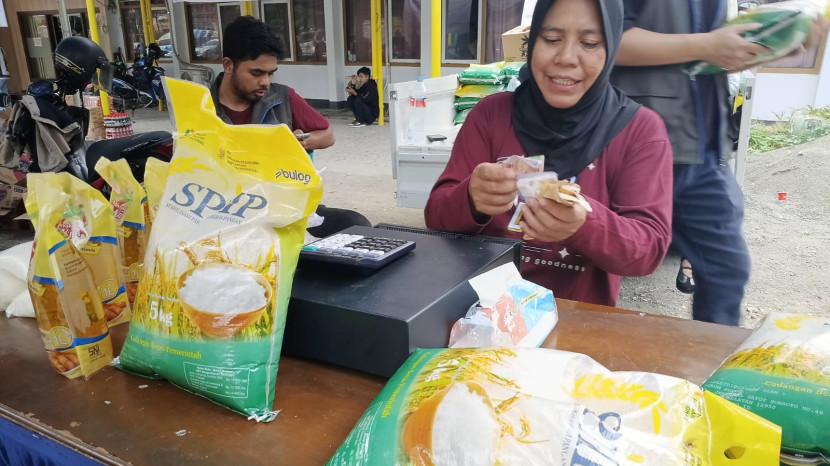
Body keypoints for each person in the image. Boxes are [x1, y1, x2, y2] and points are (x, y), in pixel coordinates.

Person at [425, 0, 673, 306]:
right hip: (483, 313)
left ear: (610, 49)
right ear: (532, 44)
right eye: (552, 39)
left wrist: (586, 223)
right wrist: (471, 198)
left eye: (589, 43)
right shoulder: (490, 115)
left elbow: (649, 250)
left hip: (577, 321)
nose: (566, 58)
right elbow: (436, 217)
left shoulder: (640, 131)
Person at [610, 0, 769, 325]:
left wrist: (773, 43)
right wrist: (707, 45)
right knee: (590, 261)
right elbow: (604, 37)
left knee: (726, 269)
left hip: (704, 147)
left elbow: (711, 53)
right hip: (635, 141)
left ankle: (711, 357)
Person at [210, 16, 368, 238]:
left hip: (284, 209)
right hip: (222, 214)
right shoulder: (201, 106)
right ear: (228, 65)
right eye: (256, 73)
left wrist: (298, 142)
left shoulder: (282, 97)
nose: (265, 82)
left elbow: (328, 135)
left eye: (271, 73)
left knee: (355, 224)